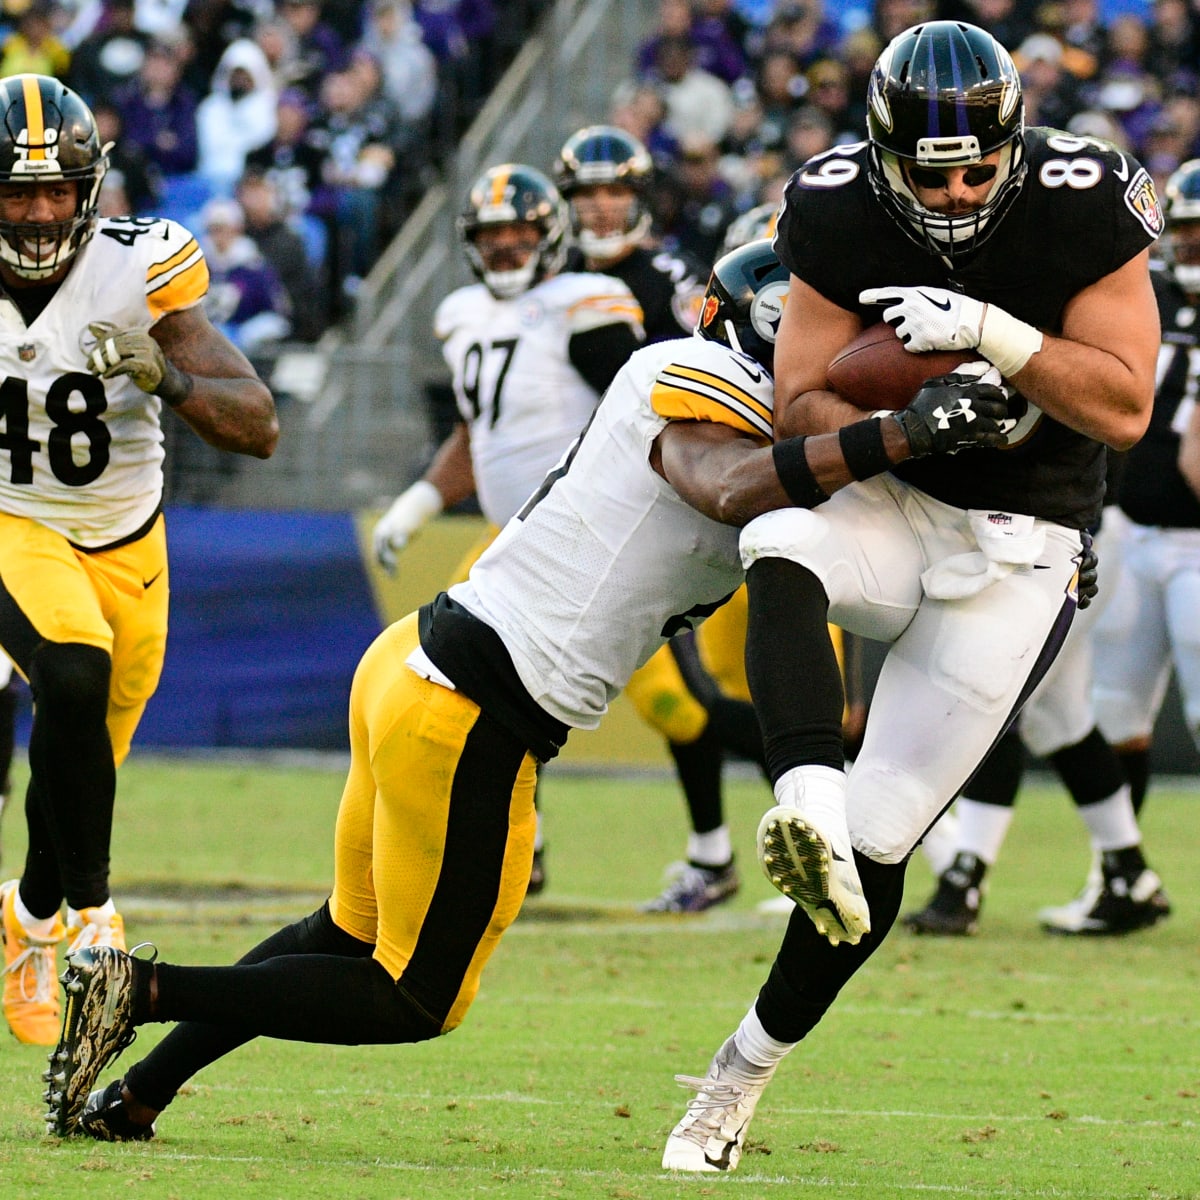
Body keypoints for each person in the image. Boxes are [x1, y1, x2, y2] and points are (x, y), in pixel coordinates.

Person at [39, 238, 1012, 1141]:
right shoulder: (693, 376)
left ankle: (135, 1092)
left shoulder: (755, 410)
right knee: (418, 997)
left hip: (425, 665)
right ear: (761, 326)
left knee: (345, 932)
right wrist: (901, 435)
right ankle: (137, 990)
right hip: (474, 706)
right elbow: (726, 485)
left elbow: (836, 509)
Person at [661, 21, 1160, 1172]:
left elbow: (1126, 406)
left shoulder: (1084, 199)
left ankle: (736, 1079)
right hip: (898, 497)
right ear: (882, 153)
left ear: (1016, 145)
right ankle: (803, 793)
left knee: (877, 853)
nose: (955, 189)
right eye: (929, 171)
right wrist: (906, 423)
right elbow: (798, 410)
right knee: (782, 531)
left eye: (978, 168)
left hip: (1025, 542)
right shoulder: (833, 205)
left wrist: (993, 334)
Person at [0, 73, 278, 1048]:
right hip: (12, 521)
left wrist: (170, 373)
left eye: (58, 190)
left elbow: (259, 427)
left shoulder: (139, 268)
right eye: (17, 192)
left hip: (128, 544)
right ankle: (95, 925)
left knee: (80, 762)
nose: (40, 212)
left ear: (91, 188)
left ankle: (25, 922)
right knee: (72, 668)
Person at [371, 163, 644, 890]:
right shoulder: (461, 314)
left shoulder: (581, 302)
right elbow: (477, 431)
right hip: (511, 537)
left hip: (579, 536)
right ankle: (525, 846)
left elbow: (640, 405)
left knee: (681, 712)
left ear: (551, 236)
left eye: (521, 232)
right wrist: (420, 502)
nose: (506, 247)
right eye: (492, 236)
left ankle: (731, 839)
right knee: (468, 679)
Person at [1077, 155, 1200, 922]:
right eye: (1186, 231)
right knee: (1114, 711)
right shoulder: (1145, 294)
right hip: (1131, 531)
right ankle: (1116, 878)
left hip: (1198, 546)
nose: (1194, 246)